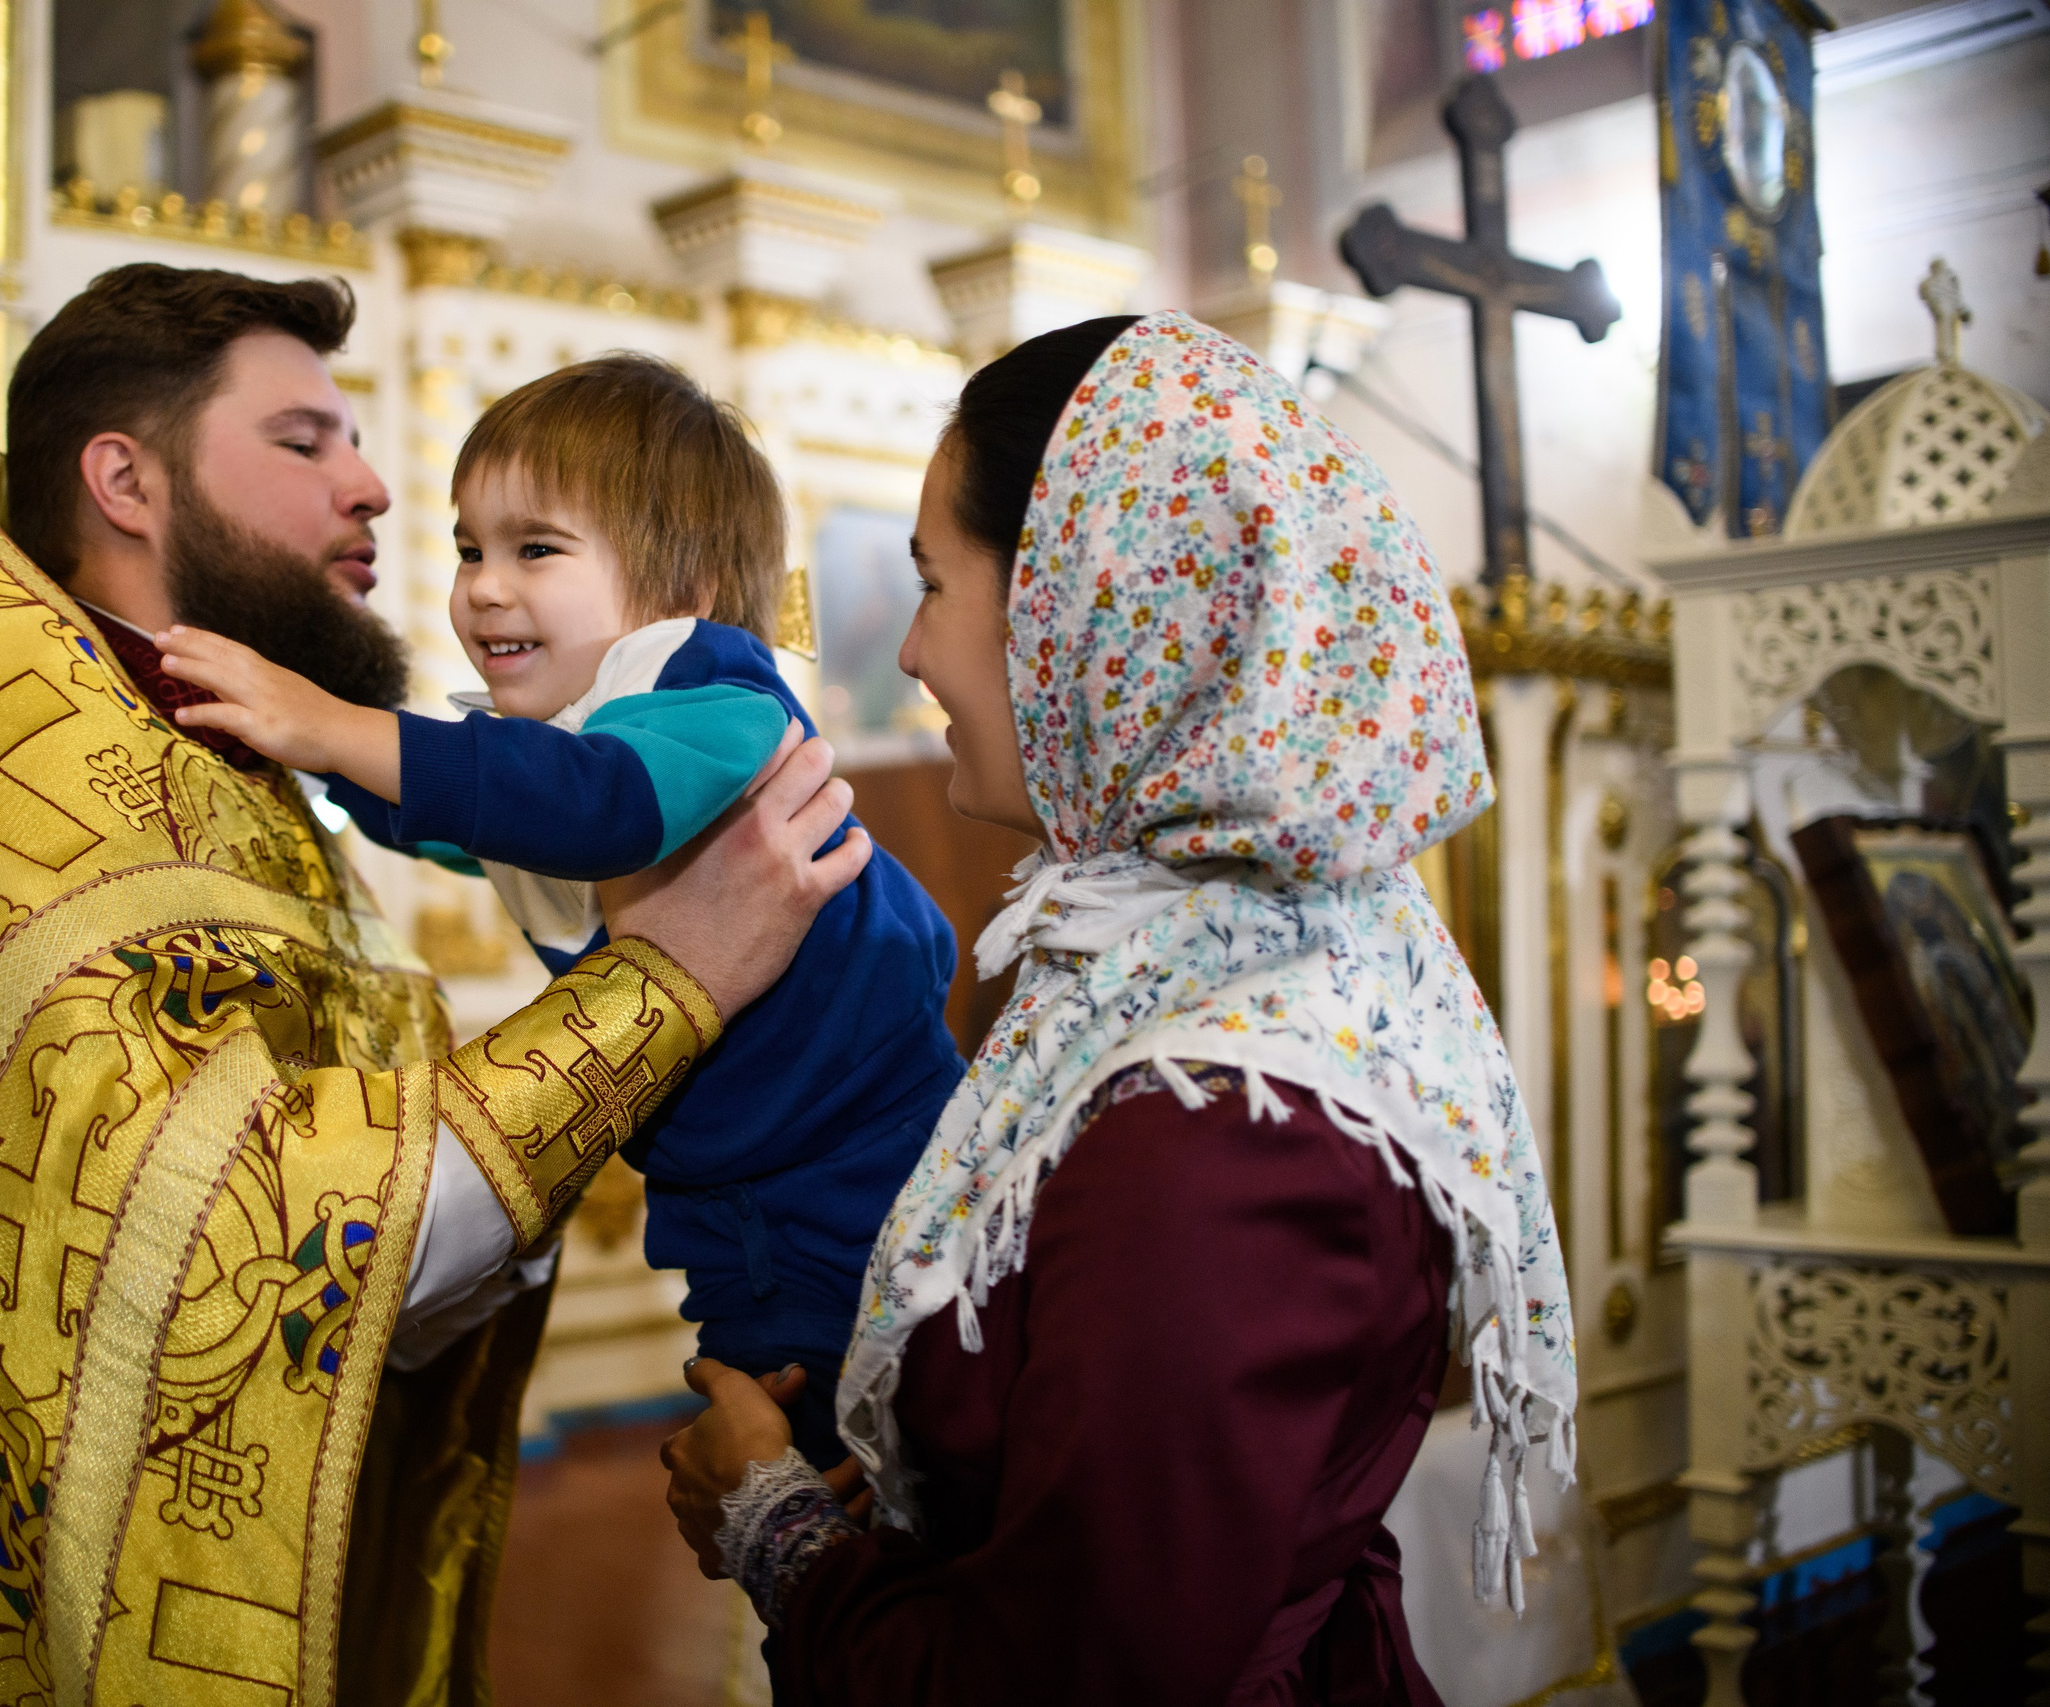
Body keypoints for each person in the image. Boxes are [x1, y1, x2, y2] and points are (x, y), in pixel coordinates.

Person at [0, 263, 869, 1707]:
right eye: (306, 440)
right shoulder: (8, 777)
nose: (374, 483)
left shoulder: (184, 739)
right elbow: (214, 1251)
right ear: (127, 480)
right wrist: (668, 980)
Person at [662, 312, 1577, 1704]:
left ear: (1083, 606)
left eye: (932, 582)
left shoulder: (1222, 1128)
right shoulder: (1207, 978)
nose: (909, 648)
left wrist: (772, 1520)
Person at [151, 353, 966, 1470]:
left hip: (864, 1173)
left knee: (889, 1457)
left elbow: (598, 811)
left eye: (535, 549)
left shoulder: (712, 695)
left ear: (677, 584)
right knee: (782, 1449)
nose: (484, 586)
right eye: (468, 549)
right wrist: (305, 760)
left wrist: (327, 725)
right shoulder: (568, 741)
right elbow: (451, 814)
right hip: (737, 1195)